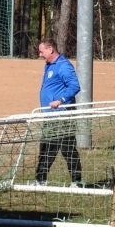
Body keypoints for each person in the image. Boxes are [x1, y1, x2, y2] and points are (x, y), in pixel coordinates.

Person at [35, 38, 82, 187]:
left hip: (62, 115)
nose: (40, 55)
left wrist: (60, 100)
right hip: (50, 116)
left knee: (67, 148)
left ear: (50, 49)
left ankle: (76, 181)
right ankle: (40, 180)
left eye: (42, 51)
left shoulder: (63, 66)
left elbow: (75, 86)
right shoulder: (49, 65)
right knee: (46, 147)